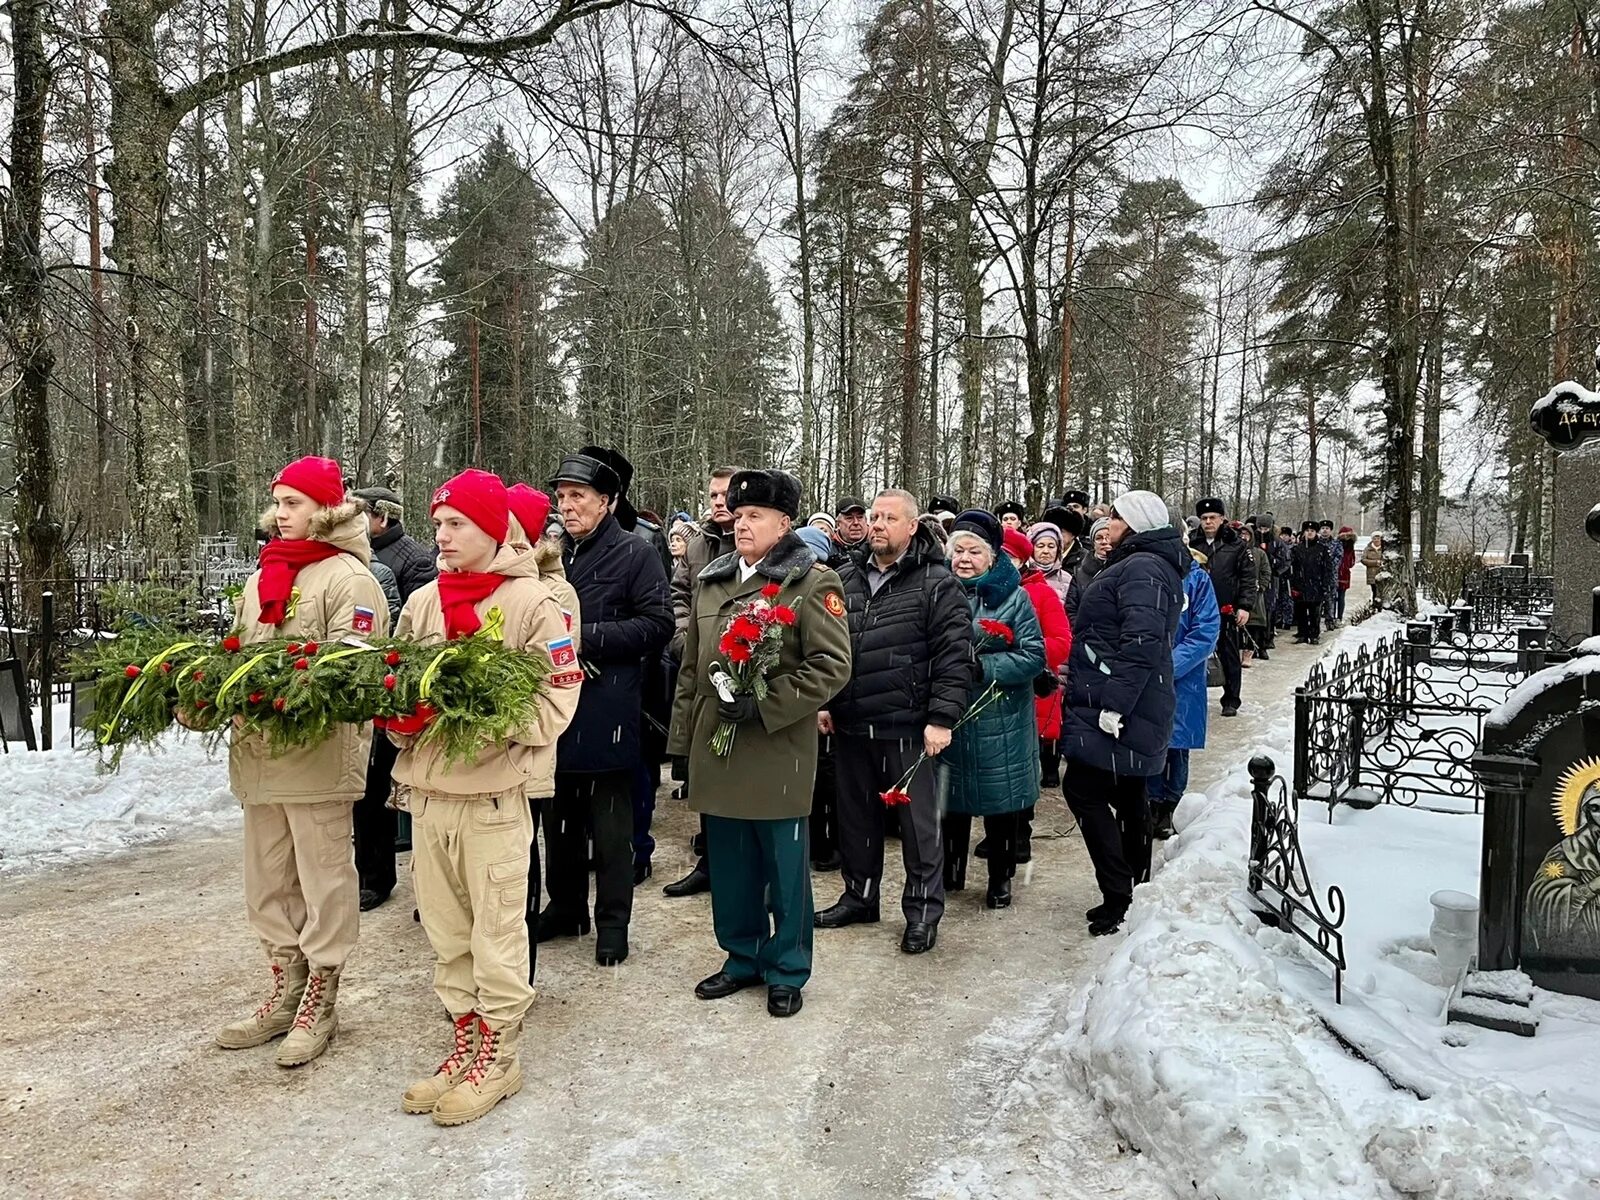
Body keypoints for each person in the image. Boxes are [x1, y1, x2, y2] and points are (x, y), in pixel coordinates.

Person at [391, 468, 581, 1126]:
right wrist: (402, 720)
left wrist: (483, 719)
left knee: (495, 932)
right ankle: (465, 1040)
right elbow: (397, 682)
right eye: (437, 523)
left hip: (492, 799)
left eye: (455, 524)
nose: (440, 535)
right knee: (447, 935)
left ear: (493, 528)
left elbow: (556, 700)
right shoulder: (422, 603)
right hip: (428, 796)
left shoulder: (533, 605)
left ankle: (499, 1055)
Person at [216, 456, 390, 1067]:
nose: (280, 514)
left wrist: (280, 689)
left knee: (323, 879)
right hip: (259, 753)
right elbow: (238, 648)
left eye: (294, 503)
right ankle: (285, 986)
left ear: (325, 508)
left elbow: (354, 667)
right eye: (279, 503)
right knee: (267, 881)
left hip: (317, 756)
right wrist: (210, 688)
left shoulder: (349, 578)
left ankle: (322, 994)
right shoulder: (265, 571)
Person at [668, 469, 852, 1017]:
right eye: (738, 514)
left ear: (784, 523)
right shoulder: (713, 580)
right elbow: (691, 668)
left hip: (775, 751)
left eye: (755, 516)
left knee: (784, 869)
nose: (741, 523)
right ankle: (742, 956)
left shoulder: (812, 582)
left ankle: (787, 968)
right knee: (730, 865)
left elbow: (832, 666)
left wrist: (766, 702)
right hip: (717, 748)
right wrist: (682, 742)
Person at [816, 489, 973, 954]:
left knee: (918, 828)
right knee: (855, 819)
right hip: (851, 721)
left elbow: (954, 657)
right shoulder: (845, 578)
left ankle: (923, 911)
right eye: (873, 516)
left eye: (889, 517)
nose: (877, 524)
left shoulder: (937, 583)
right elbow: (831, 649)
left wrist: (942, 717)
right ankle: (859, 896)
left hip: (909, 726)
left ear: (912, 527)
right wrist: (826, 701)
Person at [543, 449, 672, 965]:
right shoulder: (552, 555)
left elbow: (658, 624)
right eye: (562, 497)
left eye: (578, 497)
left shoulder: (634, 553)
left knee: (612, 828)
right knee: (559, 820)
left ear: (608, 501)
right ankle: (566, 905)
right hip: (556, 706)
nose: (567, 506)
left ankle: (613, 922)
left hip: (609, 708)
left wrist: (584, 637)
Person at [1060, 490, 1187, 936]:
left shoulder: (1142, 567)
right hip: (1129, 695)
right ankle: (1133, 887)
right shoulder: (1142, 563)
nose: (1107, 523)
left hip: (1122, 700)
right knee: (1129, 790)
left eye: (1114, 516)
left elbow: (1142, 643)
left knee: (1083, 789)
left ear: (1134, 522)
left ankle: (1119, 892)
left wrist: (1114, 704)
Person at [941, 512, 1047, 909]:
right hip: (949, 713)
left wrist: (985, 668)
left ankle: (999, 879)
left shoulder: (1013, 597)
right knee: (949, 799)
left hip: (998, 716)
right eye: (958, 550)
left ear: (991, 557)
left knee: (999, 802)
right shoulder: (937, 589)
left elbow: (1033, 655)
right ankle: (950, 872)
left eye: (974, 551)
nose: (964, 559)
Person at [350, 485, 439, 911]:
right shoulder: (355, 560)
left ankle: (382, 876)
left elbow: (410, 626)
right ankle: (366, 870)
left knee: (382, 787)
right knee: (365, 791)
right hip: (367, 684)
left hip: (393, 686)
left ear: (381, 517)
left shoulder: (413, 559)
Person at [507, 483, 582, 984]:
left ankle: (518, 972)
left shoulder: (553, 593)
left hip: (525, 747)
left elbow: (555, 673)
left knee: (519, 860)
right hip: (474, 760)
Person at [664, 468, 739, 899]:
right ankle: (709, 861)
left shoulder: (757, 543)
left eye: (726, 494)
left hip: (748, 676)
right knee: (705, 770)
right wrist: (683, 640)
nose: (717, 502)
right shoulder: (696, 546)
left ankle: (746, 872)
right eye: (712, 494)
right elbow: (678, 596)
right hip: (699, 672)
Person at [1148, 546, 1220, 839]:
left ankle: (1171, 803)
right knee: (1149, 738)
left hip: (1183, 676)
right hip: (1148, 672)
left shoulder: (1197, 579)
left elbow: (1205, 630)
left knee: (1177, 742)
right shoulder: (1146, 573)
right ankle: (1150, 801)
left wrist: (1169, 665)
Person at [1003, 526, 1072, 813]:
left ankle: (1018, 830)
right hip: (990, 689)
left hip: (1028, 687)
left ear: (1022, 561)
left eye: (1010, 557)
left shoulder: (1041, 594)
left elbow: (1061, 642)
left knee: (1022, 761)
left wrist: (1017, 648)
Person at [796, 524, 844, 871]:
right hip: (797, 696)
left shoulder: (829, 585)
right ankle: (812, 841)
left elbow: (831, 654)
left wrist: (824, 701)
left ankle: (829, 843)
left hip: (823, 698)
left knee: (827, 779)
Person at [1191, 498, 1251, 718]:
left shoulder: (1236, 545)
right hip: (1197, 610)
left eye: (1212, 518)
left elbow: (1247, 577)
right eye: (1204, 518)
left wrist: (1244, 606)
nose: (1208, 522)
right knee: (1196, 655)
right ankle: (1197, 695)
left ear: (1222, 518)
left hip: (1225, 609)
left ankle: (1231, 699)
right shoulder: (1192, 543)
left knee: (1229, 656)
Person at [1291, 521, 1334, 644]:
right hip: (1300, 584)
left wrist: (1326, 585)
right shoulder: (1297, 549)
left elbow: (1327, 569)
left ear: (1316, 533)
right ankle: (1303, 634)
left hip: (1316, 584)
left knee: (1315, 612)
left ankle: (1314, 634)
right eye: (1307, 531)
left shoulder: (1322, 549)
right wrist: (1294, 583)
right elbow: (1293, 567)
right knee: (1301, 611)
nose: (1309, 533)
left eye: (1312, 531)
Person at [1245, 529, 1272, 664]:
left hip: (1255, 593)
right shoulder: (1233, 551)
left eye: (1246, 534)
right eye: (1241, 534)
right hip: (1238, 592)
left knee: (1255, 623)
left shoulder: (1259, 553)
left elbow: (1266, 571)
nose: (1243, 537)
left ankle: (1253, 649)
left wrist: (1261, 585)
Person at [1335, 526, 1357, 620]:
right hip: (1343, 573)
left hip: (1339, 573)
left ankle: (1335, 617)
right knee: (1340, 597)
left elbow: (1351, 562)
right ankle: (1339, 617)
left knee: (1336, 597)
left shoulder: (1337, 545)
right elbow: (1352, 562)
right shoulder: (1350, 547)